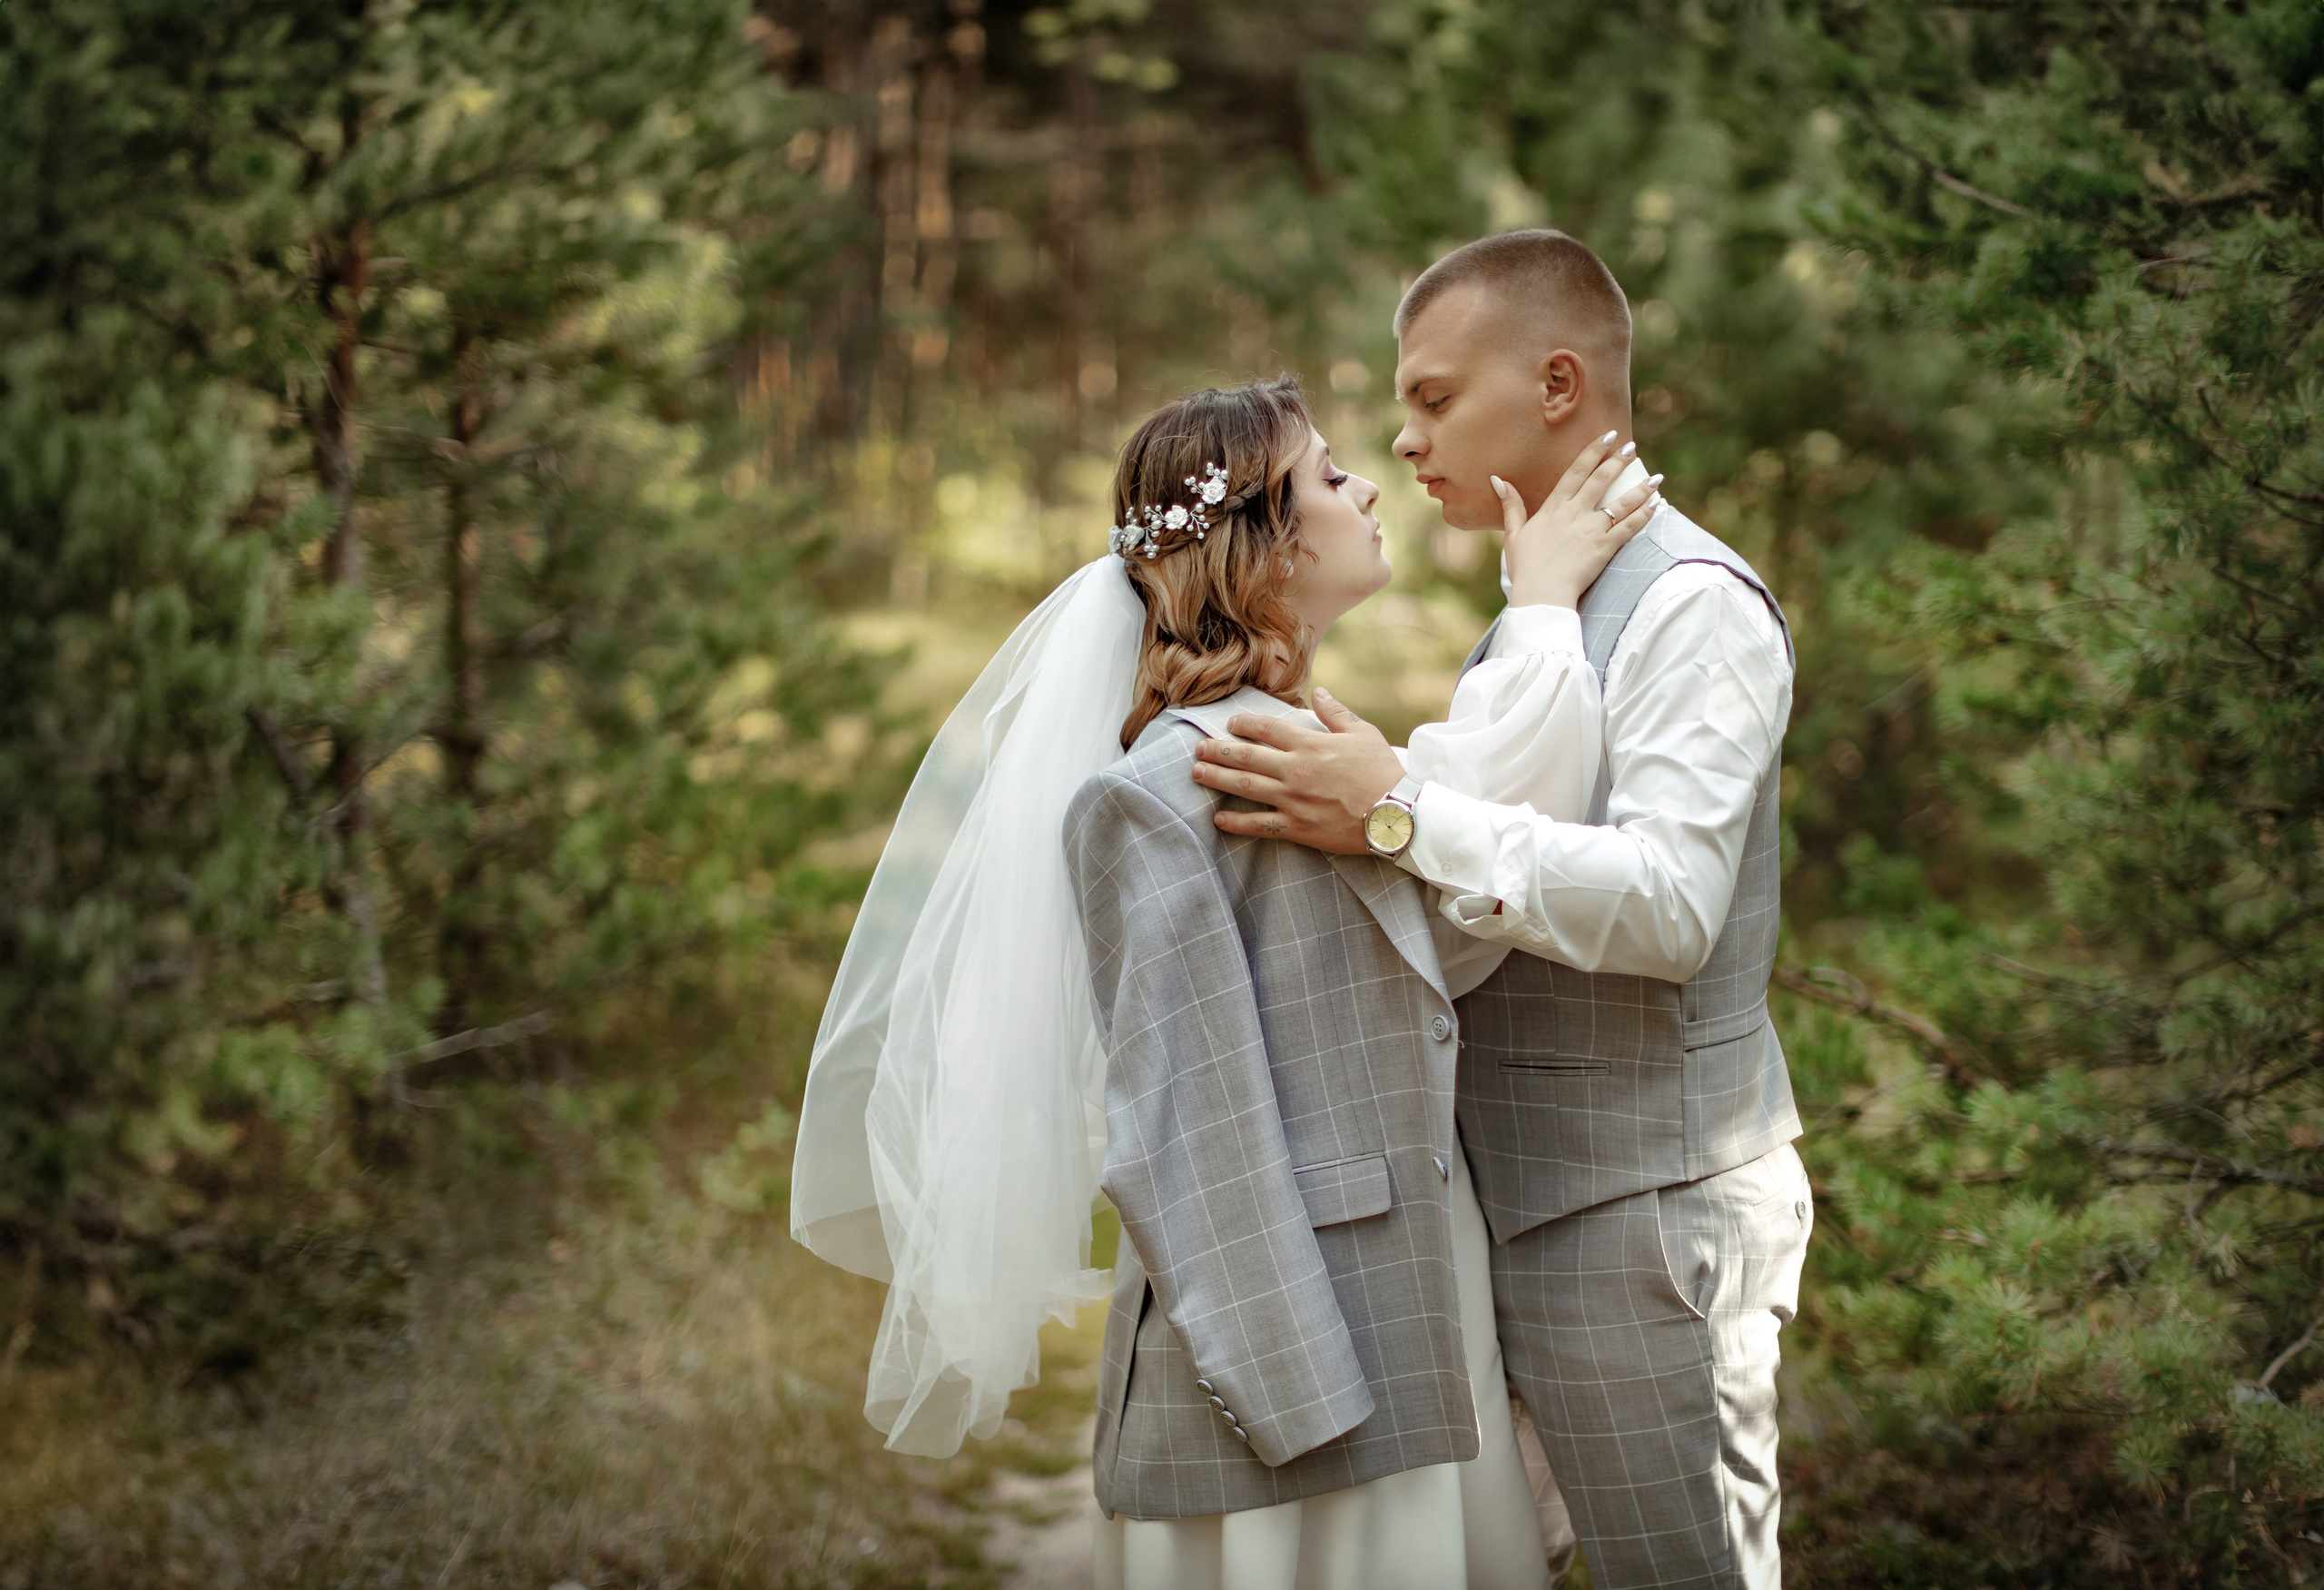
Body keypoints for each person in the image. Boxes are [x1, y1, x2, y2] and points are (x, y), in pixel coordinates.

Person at [791, 371, 1656, 1590]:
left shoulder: (1313, 747)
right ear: (1262, 549)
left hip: (1412, 1298)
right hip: (1293, 1359)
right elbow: (1187, 1131)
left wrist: (1542, 607)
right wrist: (1298, 1397)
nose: (1367, 489)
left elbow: (1463, 911)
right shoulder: (1167, 792)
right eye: (1328, 476)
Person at [1186, 231, 1812, 1590]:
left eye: (1432, 397)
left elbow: (1667, 908)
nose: (1403, 440)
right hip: (1515, 1220)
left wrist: (1397, 811)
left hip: (1649, 1222)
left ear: (1559, 383)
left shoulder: (1691, 610)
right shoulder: (1548, 601)